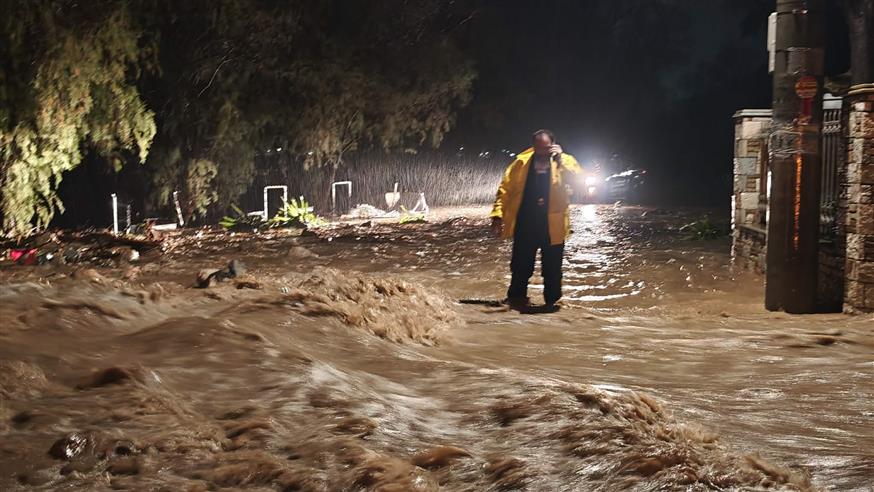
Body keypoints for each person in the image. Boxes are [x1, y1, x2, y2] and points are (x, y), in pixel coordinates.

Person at [490, 130, 582, 309]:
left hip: (553, 225)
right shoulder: (521, 162)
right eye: (538, 148)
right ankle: (516, 302)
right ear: (533, 146)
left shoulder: (565, 161)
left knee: (553, 270)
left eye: (546, 148)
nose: (542, 152)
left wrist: (561, 160)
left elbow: (579, 182)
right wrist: (497, 215)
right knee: (520, 267)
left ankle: (553, 306)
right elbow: (505, 190)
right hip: (525, 223)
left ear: (553, 145)